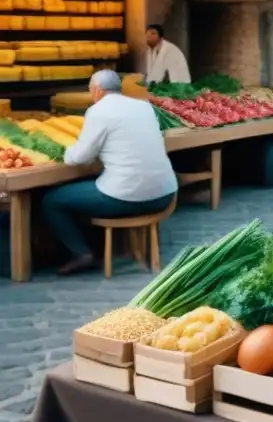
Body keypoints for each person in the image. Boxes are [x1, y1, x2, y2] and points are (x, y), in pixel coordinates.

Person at [41, 71, 178, 275]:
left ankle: (81, 252)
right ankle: (102, 246)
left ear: (97, 89)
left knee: (52, 201)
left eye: (90, 90)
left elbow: (77, 158)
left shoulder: (99, 111)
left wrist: (64, 150)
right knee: (101, 183)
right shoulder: (145, 107)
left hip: (126, 198)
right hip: (165, 194)